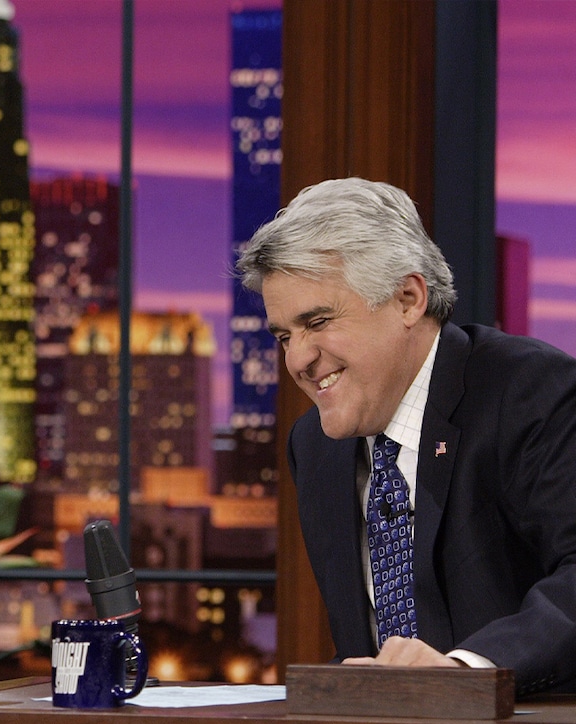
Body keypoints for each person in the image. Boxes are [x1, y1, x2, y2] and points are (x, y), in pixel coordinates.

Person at [237, 177, 576, 696]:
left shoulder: (528, 392)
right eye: (285, 336)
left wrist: (465, 671)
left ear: (408, 299)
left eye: (318, 321)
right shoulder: (315, 447)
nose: (298, 360)